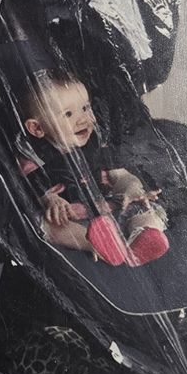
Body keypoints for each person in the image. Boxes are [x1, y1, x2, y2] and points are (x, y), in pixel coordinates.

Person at [17, 67, 169, 266]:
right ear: (37, 128)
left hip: (109, 206)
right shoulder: (36, 157)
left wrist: (132, 189)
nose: (83, 119)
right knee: (45, 224)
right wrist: (51, 199)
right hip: (74, 218)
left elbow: (121, 175)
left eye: (85, 108)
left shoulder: (94, 145)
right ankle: (95, 243)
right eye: (68, 114)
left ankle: (143, 237)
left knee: (148, 208)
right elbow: (29, 187)